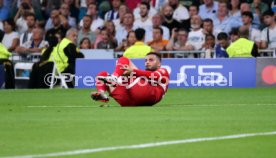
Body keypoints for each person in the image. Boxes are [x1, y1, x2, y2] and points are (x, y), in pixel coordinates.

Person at [91, 52, 170, 106]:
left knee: (124, 60)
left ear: (159, 63)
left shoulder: (163, 71)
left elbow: (155, 76)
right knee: (102, 75)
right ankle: (102, 93)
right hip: (129, 101)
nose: (147, 62)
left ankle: (114, 77)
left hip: (148, 95)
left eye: (151, 60)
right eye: (146, 60)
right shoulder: (142, 76)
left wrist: (133, 71)